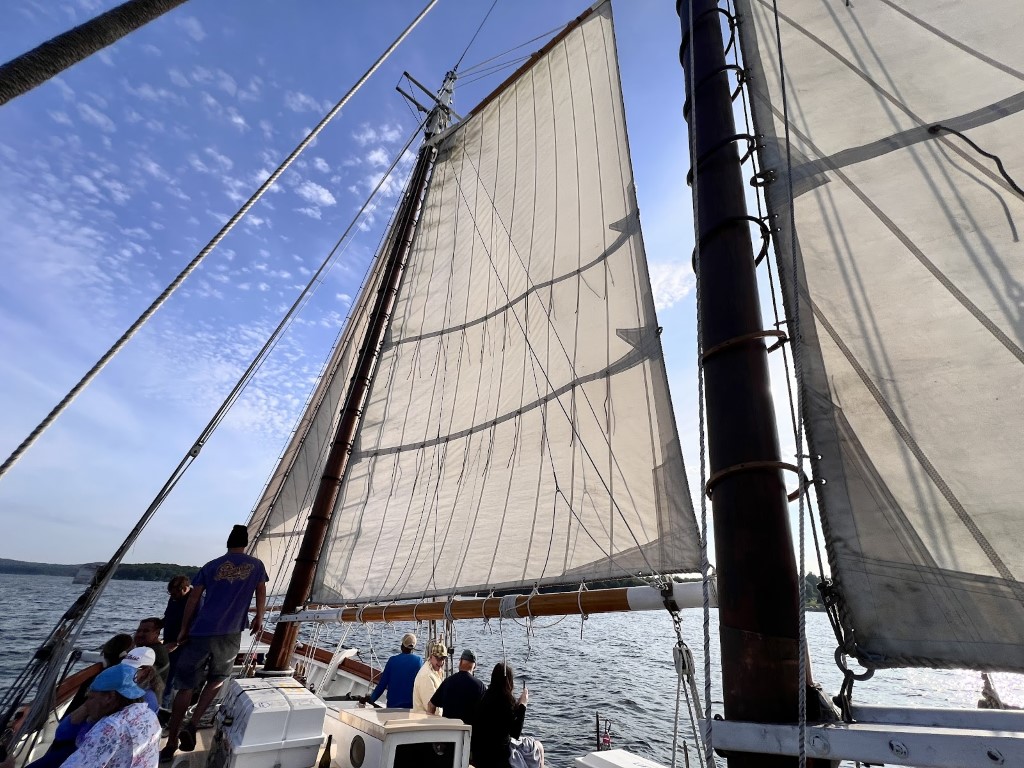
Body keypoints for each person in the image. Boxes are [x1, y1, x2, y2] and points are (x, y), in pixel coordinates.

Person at [161, 524, 267, 762]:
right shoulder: (256, 566)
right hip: (229, 633)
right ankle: (194, 722)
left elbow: (193, 599)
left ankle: (170, 743)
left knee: (185, 686)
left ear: (227, 543)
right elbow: (261, 591)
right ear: (246, 542)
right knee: (217, 680)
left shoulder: (210, 566)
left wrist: (184, 630)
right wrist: (259, 617)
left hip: (200, 631)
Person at [62, 664, 161, 768]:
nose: (86, 705)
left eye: (91, 698)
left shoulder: (111, 728)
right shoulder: (148, 713)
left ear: (109, 697)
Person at [471, 663, 544, 768]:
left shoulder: (484, 696)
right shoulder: (505, 701)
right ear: (509, 682)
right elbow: (515, 732)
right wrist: (523, 705)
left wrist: (517, 706)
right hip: (500, 756)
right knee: (538, 746)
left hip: (481, 755)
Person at [361, 632, 421, 709]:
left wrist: (371, 699)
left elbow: (382, 685)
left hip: (392, 707)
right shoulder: (418, 661)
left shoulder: (392, 661)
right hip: (410, 707)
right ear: (413, 648)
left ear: (402, 645)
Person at [428, 648, 485, 724]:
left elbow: (431, 705)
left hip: (449, 730)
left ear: (460, 662)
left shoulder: (448, 682)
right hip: (470, 732)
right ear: (475, 666)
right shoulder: (480, 686)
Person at [161, 575, 192, 711]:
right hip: (168, 644)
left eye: (175, 593)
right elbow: (168, 616)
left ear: (185, 589)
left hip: (182, 648)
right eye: (170, 594)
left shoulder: (195, 601)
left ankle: (164, 712)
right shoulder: (174, 599)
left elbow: (196, 627)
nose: (172, 596)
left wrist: (177, 644)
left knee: (169, 681)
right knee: (164, 679)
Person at [122, 646, 164, 714]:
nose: (125, 671)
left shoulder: (147, 698)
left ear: (146, 671)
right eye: (124, 667)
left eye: (132, 668)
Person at [412, 639, 447, 714]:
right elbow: (431, 708)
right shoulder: (426, 676)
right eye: (438, 658)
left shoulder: (436, 670)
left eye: (443, 659)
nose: (441, 662)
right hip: (425, 721)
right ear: (431, 657)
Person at [133, 617, 170, 686]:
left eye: (146, 631)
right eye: (138, 631)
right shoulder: (157, 648)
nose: (140, 634)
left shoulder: (150, 652)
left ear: (157, 633)